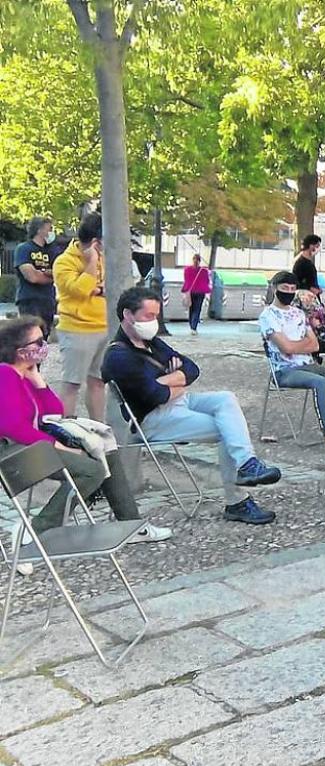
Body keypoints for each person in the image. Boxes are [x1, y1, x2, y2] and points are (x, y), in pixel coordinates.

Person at [101, 288, 282, 525]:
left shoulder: (151, 342)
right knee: (227, 430)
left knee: (226, 398)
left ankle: (247, 465)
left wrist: (170, 379)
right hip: (153, 419)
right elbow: (155, 395)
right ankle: (237, 501)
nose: (153, 322)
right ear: (127, 314)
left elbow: (192, 368)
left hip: (179, 403)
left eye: (156, 315)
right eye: (148, 316)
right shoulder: (118, 356)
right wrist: (175, 380)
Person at [0, 316, 170, 551]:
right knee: (92, 471)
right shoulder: (5, 375)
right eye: (38, 342)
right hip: (13, 452)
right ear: (19, 350)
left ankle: (132, 524)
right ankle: (36, 530)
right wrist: (59, 446)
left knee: (103, 448)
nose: (44, 345)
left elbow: (54, 412)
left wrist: (38, 381)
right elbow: (12, 427)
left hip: (31, 444)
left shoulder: (25, 376)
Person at [258, 271, 325, 454]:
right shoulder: (268, 316)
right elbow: (287, 349)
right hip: (284, 370)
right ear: (274, 288)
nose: (289, 292)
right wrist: (301, 345)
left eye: (293, 289)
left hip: (309, 365)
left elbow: (315, 345)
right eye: (285, 288)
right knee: (319, 382)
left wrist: (296, 346)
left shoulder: (299, 314)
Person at [51, 212, 109, 421]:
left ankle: (98, 426)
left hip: (104, 326)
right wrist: (92, 263)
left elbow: (113, 287)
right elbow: (81, 289)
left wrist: (100, 289)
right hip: (77, 329)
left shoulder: (107, 258)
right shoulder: (63, 262)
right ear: (95, 242)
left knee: (98, 382)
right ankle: (67, 429)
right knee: (72, 383)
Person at [13, 217, 57, 333]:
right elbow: (32, 277)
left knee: (44, 337)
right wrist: (50, 276)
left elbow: (59, 273)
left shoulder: (52, 251)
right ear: (39, 230)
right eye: (50, 229)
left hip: (48, 300)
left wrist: (44, 273)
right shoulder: (24, 249)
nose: (52, 232)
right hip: (29, 300)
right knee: (31, 335)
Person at [181, 253, 212, 335]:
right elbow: (207, 281)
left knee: (191, 309)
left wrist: (185, 290)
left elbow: (186, 280)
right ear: (199, 261)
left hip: (191, 292)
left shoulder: (187, 270)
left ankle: (192, 326)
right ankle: (194, 327)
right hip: (200, 292)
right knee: (197, 309)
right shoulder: (204, 271)